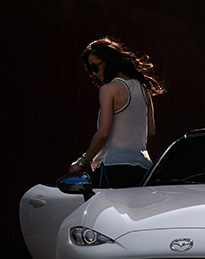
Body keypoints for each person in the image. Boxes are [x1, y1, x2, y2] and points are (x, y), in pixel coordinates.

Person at [69, 37, 165, 188]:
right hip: (144, 170)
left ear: (108, 61)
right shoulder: (144, 89)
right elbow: (151, 131)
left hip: (112, 170)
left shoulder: (108, 89)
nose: (93, 74)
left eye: (94, 67)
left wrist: (82, 162)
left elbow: (103, 133)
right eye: (89, 70)